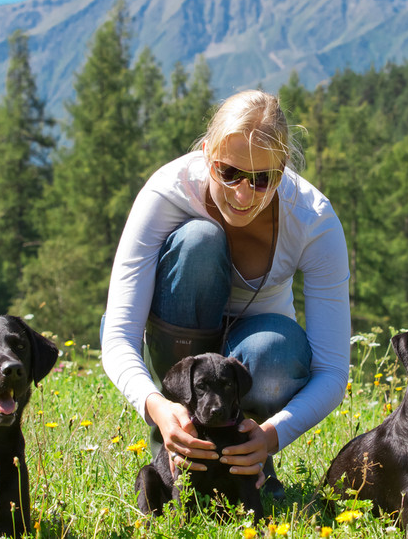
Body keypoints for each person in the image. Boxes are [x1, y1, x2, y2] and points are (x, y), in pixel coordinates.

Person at [101, 90, 351, 496]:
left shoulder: (313, 219)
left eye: (262, 179)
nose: (243, 194)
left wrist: (271, 435)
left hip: (251, 356)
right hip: (179, 351)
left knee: (276, 352)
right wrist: (157, 405)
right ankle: (172, 444)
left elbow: (333, 372)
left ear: (283, 168)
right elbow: (116, 335)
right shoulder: (167, 191)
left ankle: (245, 462)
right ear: (206, 154)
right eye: (229, 172)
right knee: (198, 241)